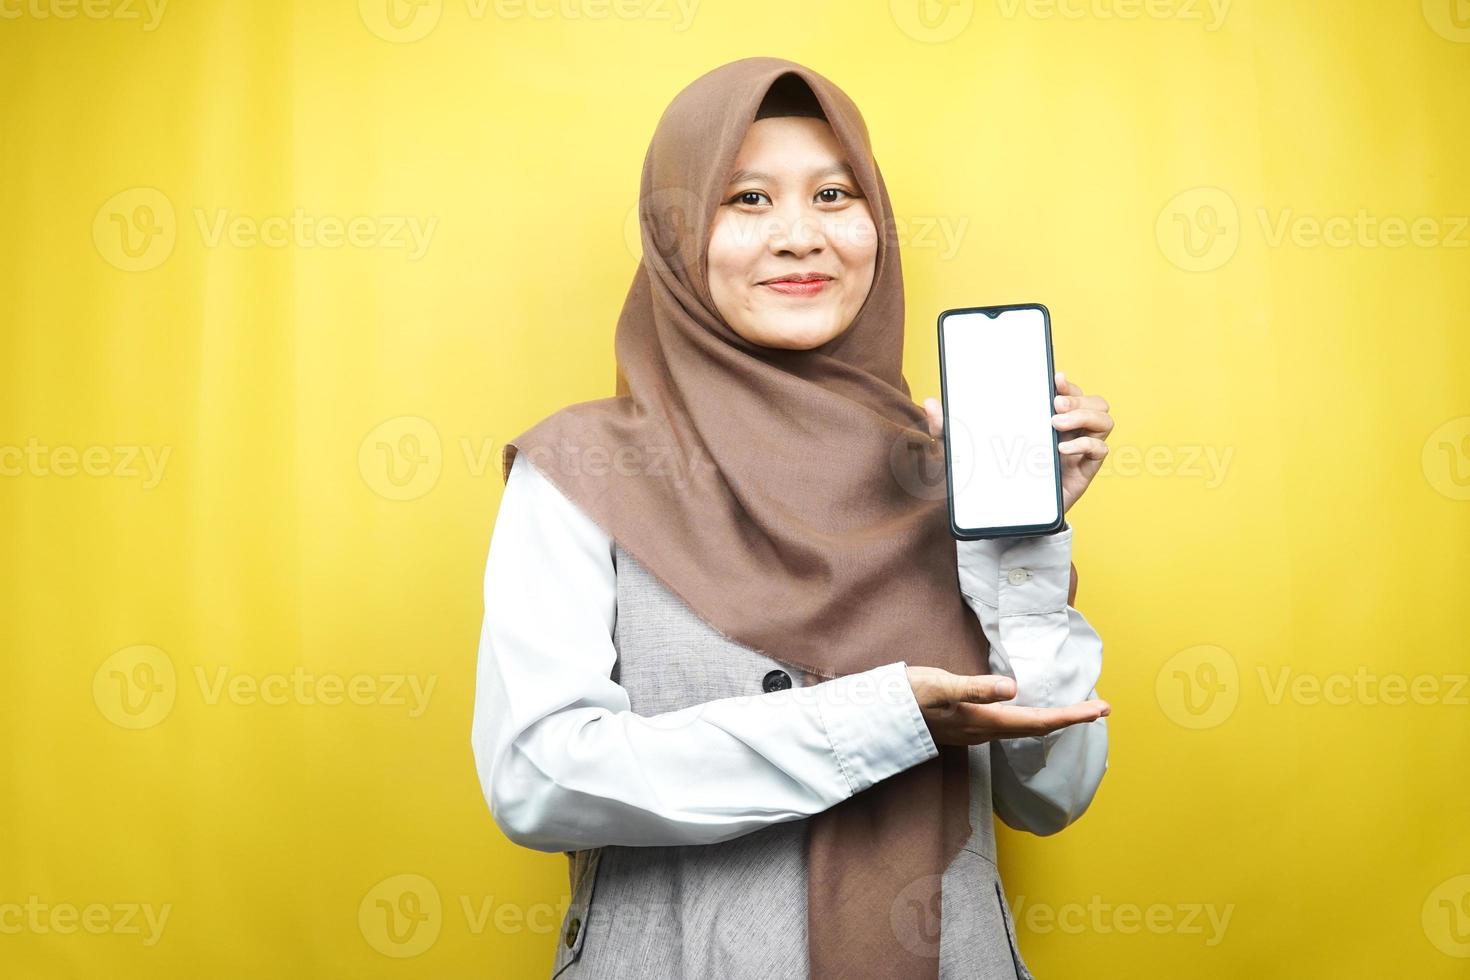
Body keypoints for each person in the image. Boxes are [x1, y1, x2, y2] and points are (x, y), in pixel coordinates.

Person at [471, 56, 1115, 980]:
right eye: (747, 199)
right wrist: (880, 721)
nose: (800, 236)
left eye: (833, 193)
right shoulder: (584, 468)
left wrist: (1028, 548)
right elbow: (538, 781)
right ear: (676, 232)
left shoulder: (949, 465)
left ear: (876, 226)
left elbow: (1051, 794)